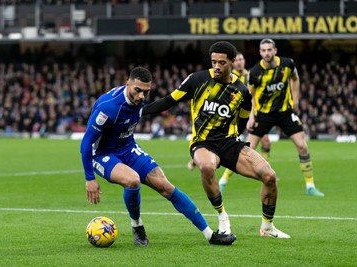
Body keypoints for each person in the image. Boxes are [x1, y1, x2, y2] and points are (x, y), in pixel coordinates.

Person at [143, 41, 290, 238]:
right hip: (203, 142)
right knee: (207, 167)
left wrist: (235, 142)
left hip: (229, 143)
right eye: (214, 62)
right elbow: (169, 101)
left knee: (270, 176)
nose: (217, 67)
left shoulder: (242, 91)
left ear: (232, 62)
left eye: (222, 62)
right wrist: (139, 111)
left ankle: (268, 227)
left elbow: (243, 121)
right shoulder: (197, 80)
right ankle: (222, 216)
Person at [80, 66, 236, 247]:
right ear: (127, 84)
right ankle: (137, 224)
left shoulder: (140, 102)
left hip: (129, 148)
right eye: (137, 90)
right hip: (102, 154)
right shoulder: (108, 106)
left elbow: (165, 102)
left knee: (166, 186)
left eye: (145, 92)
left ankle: (210, 235)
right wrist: (89, 178)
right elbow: (86, 143)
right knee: (132, 180)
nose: (141, 96)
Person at [246, 38, 324, 197]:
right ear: (260, 53)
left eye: (269, 50)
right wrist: (251, 117)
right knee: (246, 149)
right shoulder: (254, 72)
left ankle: (310, 186)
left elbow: (295, 79)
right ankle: (223, 181)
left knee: (302, 146)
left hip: (285, 113)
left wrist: (295, 99)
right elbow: (251, 97)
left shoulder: (288, 64)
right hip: (264, 114)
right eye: (263, 51)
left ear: (275, 50)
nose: (267, 53)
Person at [187, 52, 272, 194]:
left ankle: (260, 171)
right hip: (230, 119)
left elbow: (252, 97)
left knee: (264, 143)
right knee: (245, 148)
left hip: (248, 114)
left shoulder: (249, 76)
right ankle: (223, 177)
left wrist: (253, 115)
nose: (239, 62)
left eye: (241, 59)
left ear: (243, 61)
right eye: (237, 59)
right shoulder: (225, 79)